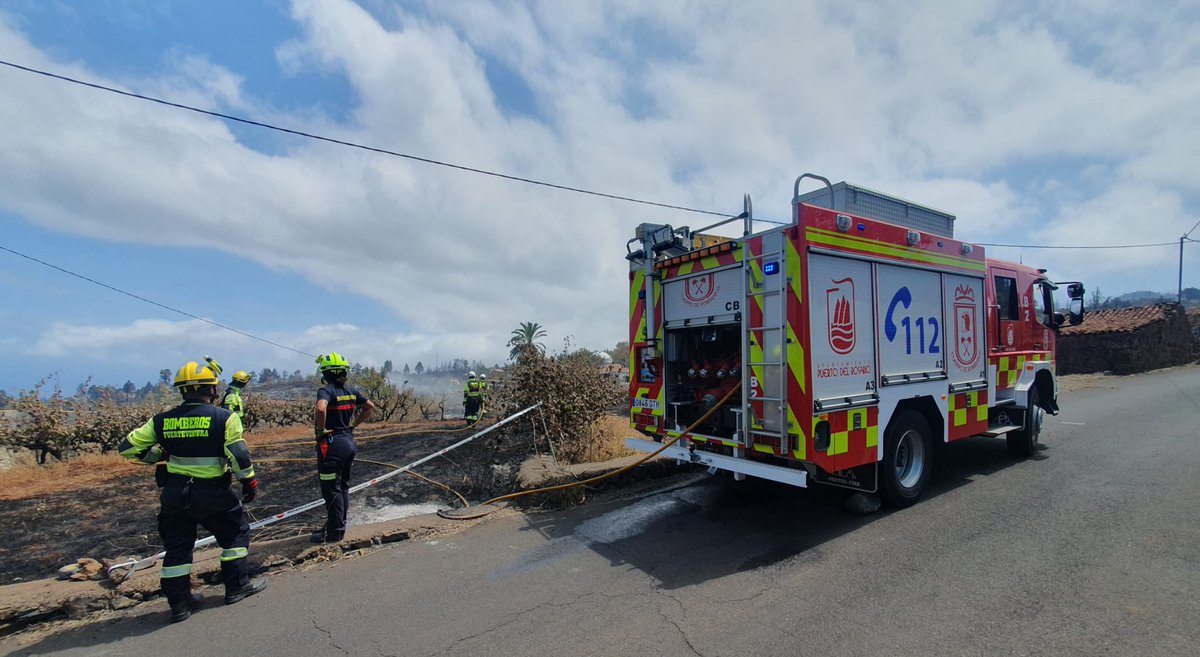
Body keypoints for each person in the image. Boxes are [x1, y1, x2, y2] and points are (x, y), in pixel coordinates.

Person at [118, 360, 266, 623]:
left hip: (175, 495)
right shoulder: (225, 417)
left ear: (182, 391)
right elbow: (239, 455)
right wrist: (249, 482)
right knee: (235, 536)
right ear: (212, 389)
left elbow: (128, 447)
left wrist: (156, 455)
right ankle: (236, 587)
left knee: (177, 548)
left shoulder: (161, 421)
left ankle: (180, 604)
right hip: (213, 494)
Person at [312, 353, 375, 544]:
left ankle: (334, 532)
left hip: (332, 445)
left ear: (325, 374)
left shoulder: (326, 391)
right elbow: (370, 407)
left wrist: (321, 430)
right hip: (348, 441)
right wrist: (353, 425)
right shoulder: (351, 391)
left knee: (331, 489)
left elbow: (321, 408)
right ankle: (338, 525)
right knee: (343, 487)